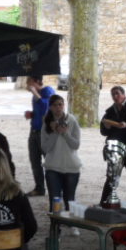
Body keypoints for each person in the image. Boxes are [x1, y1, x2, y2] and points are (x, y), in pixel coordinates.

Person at [41, 94, 82, 233]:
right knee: (55, 199)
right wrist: (54, 132)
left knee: (70, 198)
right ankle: (56, 227)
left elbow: (76, 145)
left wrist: (65, 133)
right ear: (50, 107)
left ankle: (72, 223)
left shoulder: (72, 120)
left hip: (71, 167)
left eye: (60, 104)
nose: (58, 108)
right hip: (53, 167)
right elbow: (45, 148)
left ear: (64, 105)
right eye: (55, 105)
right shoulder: (46, 123)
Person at [100, 85, 126, 203]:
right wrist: (107, 127)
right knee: (111, 176)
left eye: (117, 93)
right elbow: (103, 132)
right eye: (113, 94)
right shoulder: (109, 112)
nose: (115, 96)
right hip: (115, 149)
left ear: (124, 94)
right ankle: (105, 202)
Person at [24, 76, 55, 197]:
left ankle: (54, 188)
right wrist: (31, 114)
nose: (27, 84)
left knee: (49, 161)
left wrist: (34, 92)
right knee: (34, 161)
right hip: (34, 131)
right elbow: (39, 112)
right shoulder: (35, 96)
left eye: (29, 82)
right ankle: (39, 188)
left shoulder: (48, 91)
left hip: (45, 133)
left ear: (37, 81)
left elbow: (46, 107)